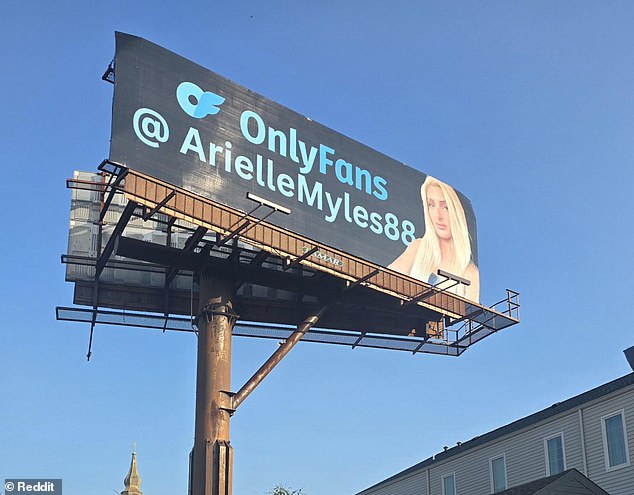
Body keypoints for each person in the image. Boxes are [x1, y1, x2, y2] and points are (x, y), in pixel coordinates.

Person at [388, 175, 480, 302]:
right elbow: (383, 278)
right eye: (431, 205)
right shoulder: (419, 248)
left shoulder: (470, 273)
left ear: (456, 212)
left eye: (445, 207)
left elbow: (471, 313)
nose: (438, 215)